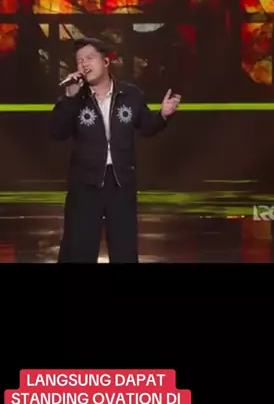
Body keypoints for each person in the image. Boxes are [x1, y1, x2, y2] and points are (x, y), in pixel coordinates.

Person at [50, 37, 181, 263]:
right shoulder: (74, 98)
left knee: (124, 249)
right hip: (85, 184)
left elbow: (146, 126)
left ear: (106, 61)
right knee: (79, 249)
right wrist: (69, 98)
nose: (84, 64)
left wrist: (162, 115)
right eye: (79, 61)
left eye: (89, 58)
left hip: (121, 184)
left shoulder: (131, 95)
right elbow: (57, 132)